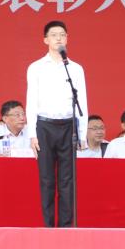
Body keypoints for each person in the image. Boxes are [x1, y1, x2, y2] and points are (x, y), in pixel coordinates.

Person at [27, 20, 88, 228]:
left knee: (67, 180)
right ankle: (47, 225)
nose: (59, 38)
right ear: (45, 40)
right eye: (54, 35)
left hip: (68, 126)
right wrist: (32, 134)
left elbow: (82, 101)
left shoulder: (75, 69)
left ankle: (66, 226)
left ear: (67, 38)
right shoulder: (36, 68)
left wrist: (81, 132)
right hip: (44, 126)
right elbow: (31, 100)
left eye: (62, 34)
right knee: (46, 179)